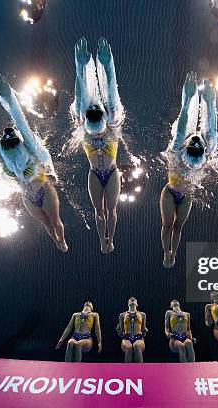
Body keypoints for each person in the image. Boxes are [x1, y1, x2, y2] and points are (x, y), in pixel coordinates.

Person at [0, 72, 68, 252]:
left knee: (55, 221)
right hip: (28, 197)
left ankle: (62, 241)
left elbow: (20, 120)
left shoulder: (29, 146)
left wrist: (7, 95)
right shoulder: (1, 152)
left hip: (43, 188)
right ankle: (55, 241)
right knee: (46, 224)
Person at [71, 37, 125, 254]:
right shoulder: (83, 127)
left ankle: (110, 239)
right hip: (94, 173)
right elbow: (78, 97)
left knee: (111, 211)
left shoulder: (112, 127)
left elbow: (113, 93)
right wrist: (81, 66)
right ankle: (101, 241)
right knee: (98, 212)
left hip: (111, 173)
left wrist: (105, 65)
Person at [161, 72, 218, 268]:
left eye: (194, 144)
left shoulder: (178, 150)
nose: (195, 139)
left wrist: (187, 101)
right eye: (196, 142)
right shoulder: (207, 150)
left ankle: (172, 254)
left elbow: (183, 124)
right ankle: (166, 253)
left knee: (177, 227)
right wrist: (211, 102)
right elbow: (212, 126)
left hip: (185, 197)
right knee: (168, 225)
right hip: (170, 193)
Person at [117, 297, 148, 363]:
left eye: (134, 299)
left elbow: (144, 329)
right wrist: (119, 332)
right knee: (129, 347)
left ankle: (140, 371)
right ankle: (128, 372)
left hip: (139, 338)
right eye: (130, 299)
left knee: (136, 346)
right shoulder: (122, 315)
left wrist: (145, 331)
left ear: (137, 304)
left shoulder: (142, 314)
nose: (132, 298)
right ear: (128, 304)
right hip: (126, 338)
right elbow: (120, 329)